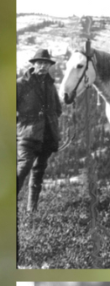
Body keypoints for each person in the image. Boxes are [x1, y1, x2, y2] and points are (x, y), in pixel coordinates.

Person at [16, 49, 63, 212]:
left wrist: (51, 122)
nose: (43, 66)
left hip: (47, 135)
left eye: (46, 63)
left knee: (38, 172)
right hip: (27, 135)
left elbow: (58, 108)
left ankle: (32, 210)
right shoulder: (21, 84)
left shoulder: (50, 85)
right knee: (23, 167)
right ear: (33, 64)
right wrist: (21, 123)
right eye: (40, 63)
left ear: (49, 66)